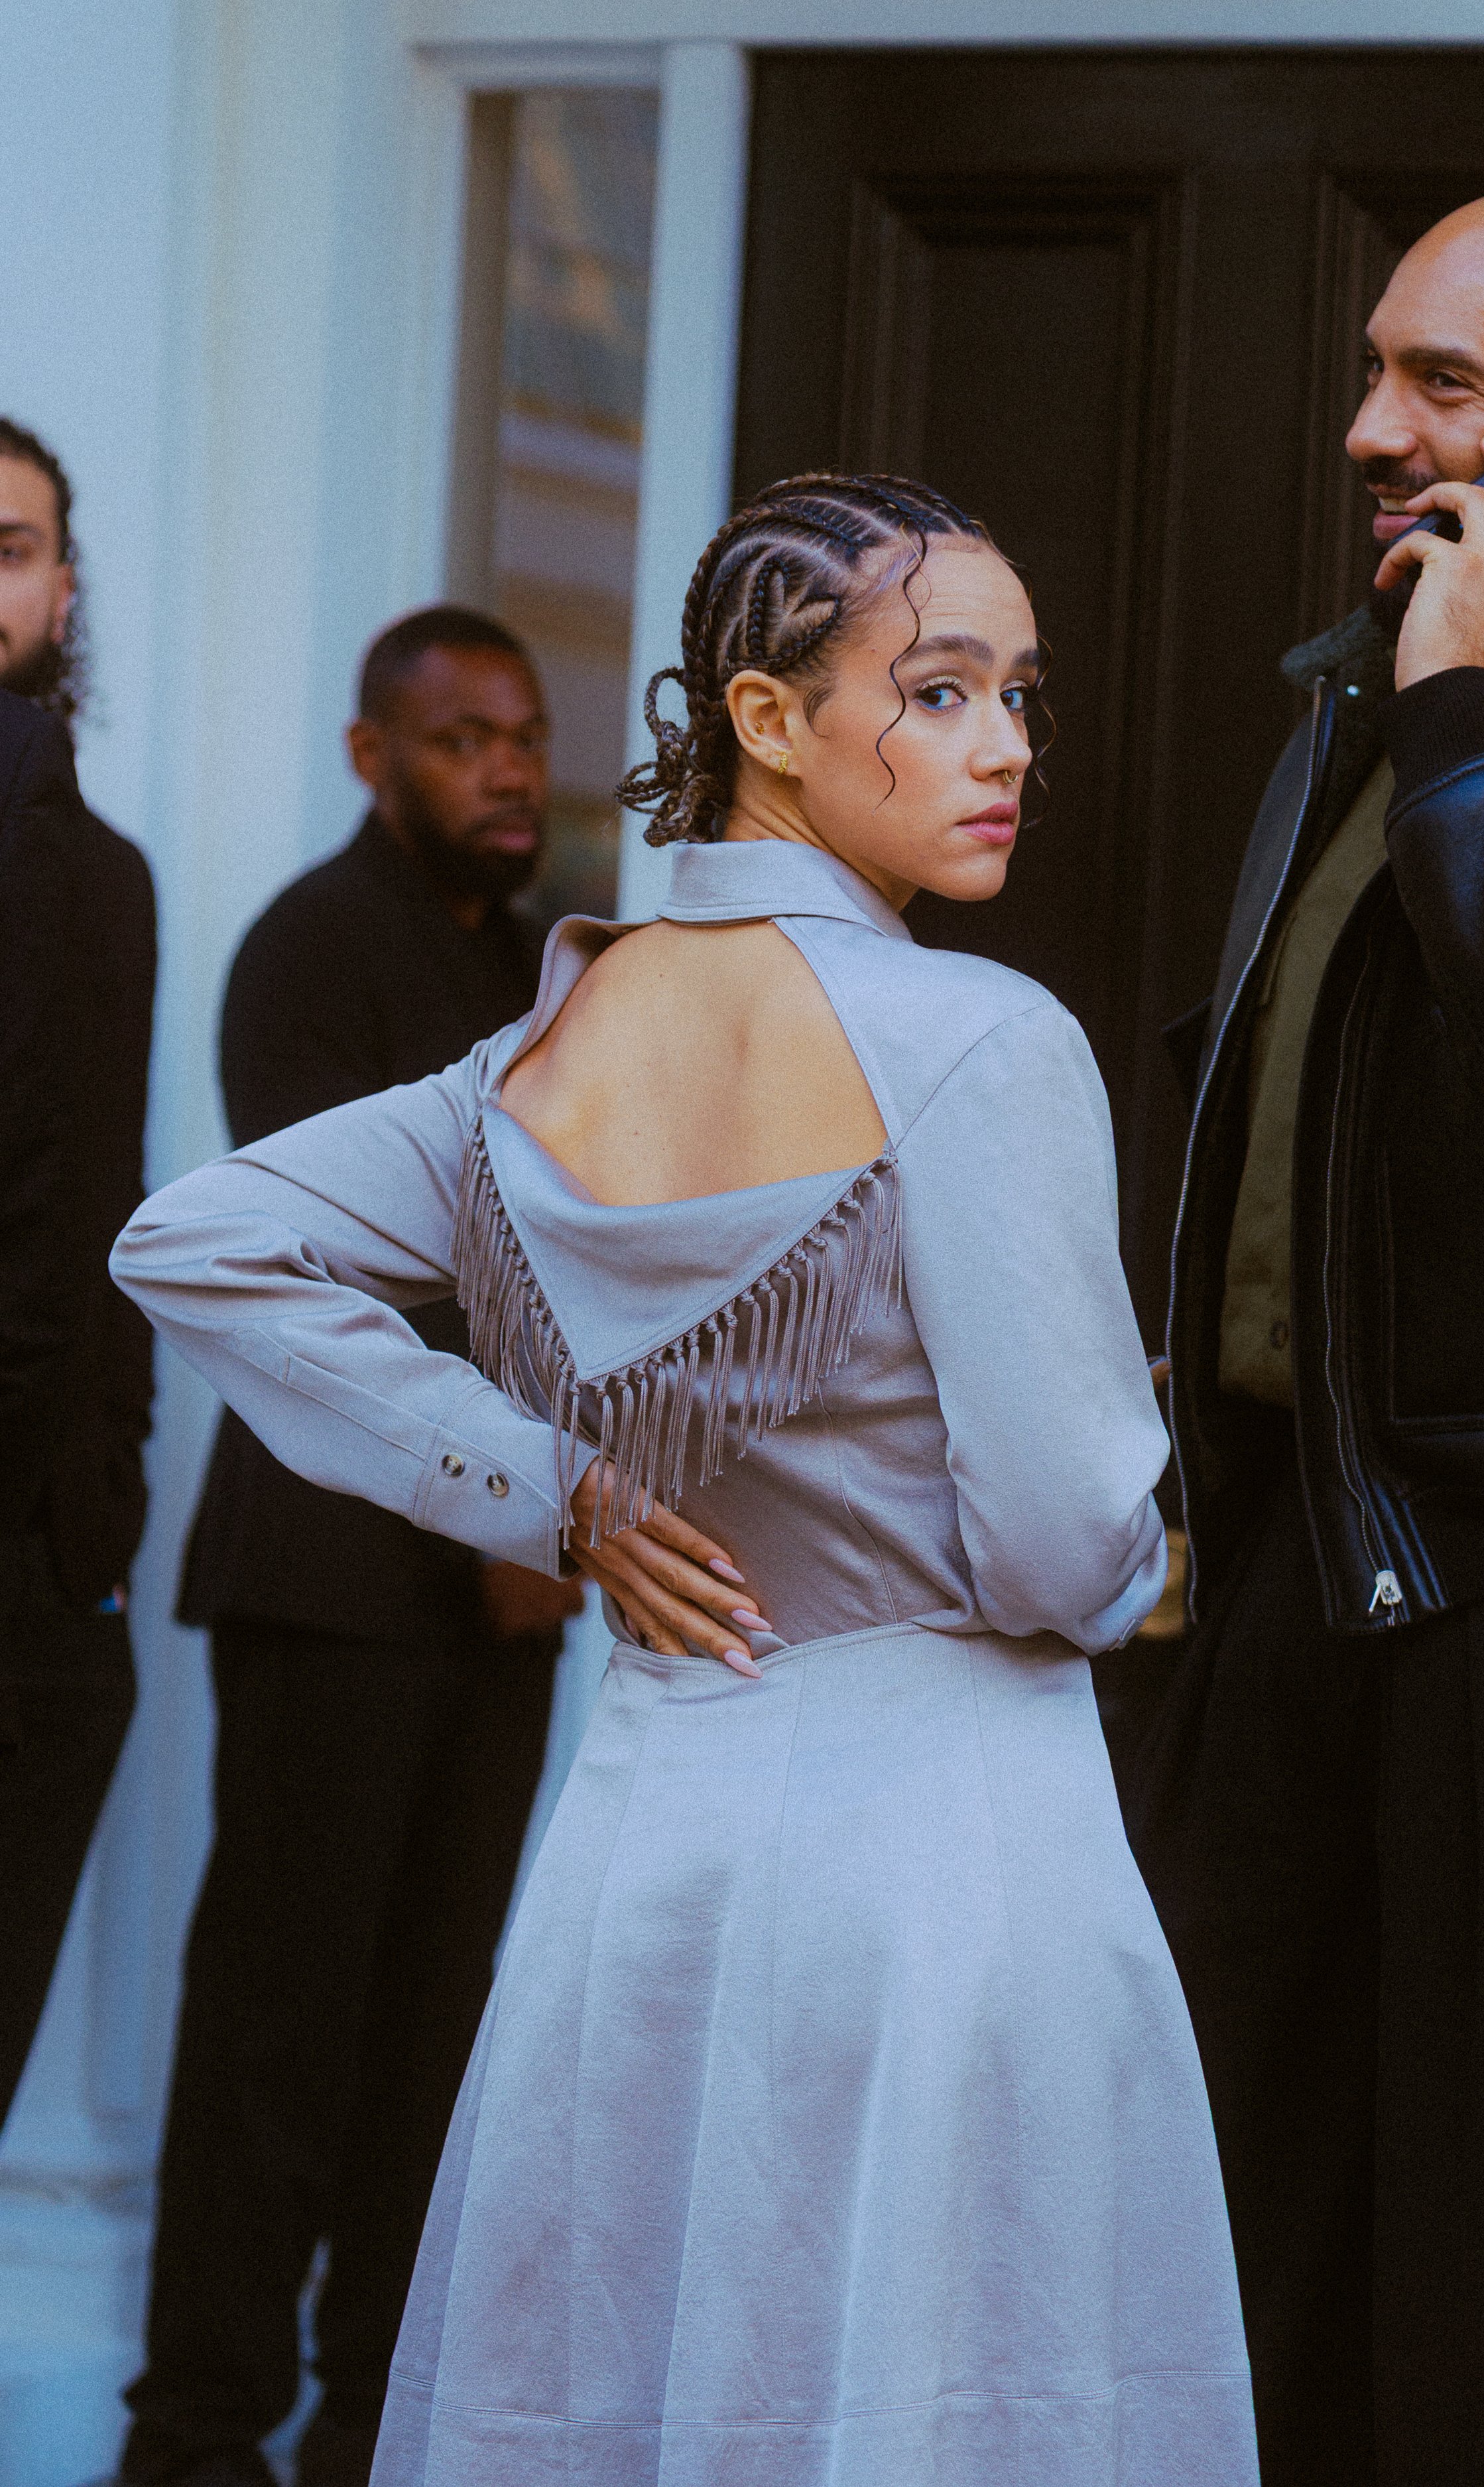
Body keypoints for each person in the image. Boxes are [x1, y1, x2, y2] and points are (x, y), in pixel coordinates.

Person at [113, 475, 1259, 2487]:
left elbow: (195, 1241)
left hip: (653, 1846)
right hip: (950, 1845)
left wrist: (546, 1487)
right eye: (939, 690)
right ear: (763, 716)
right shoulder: (981, 1040)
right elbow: (1070, 1548)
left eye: (1022, 698)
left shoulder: (533, 1054)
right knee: (940, 2408)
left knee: (635, 2401)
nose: (1005, 749)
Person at [1126, 188, 1484, 2487]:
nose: (1367, 427)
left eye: (1445, 384)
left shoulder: (1465, 700)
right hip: (1293, 1576)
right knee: (1231, 2242)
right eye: (1374, 368)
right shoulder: (1383, 675)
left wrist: (1468, 719)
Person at [117, 607, 580, 2487]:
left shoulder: (545, 964)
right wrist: (507, 1499)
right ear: (369, 755)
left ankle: (368, 2438)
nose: (507, 772)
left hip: (508, 1591)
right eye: (463, 741)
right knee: (278, 2039)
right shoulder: (309, 946)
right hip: (332, 1579)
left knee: (430, 2043)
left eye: (525, 738)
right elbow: (335, 1262)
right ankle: (196, 2442)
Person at [0, 417, 155, 2127]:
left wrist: (94, 1510)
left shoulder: (93, 873)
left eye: (15, 547)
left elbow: (77, 1218)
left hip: (42, 1575)